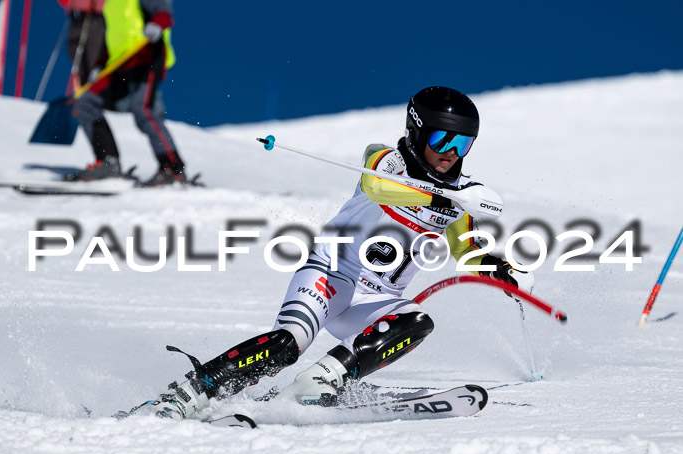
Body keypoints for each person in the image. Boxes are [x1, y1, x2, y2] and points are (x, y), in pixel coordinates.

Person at [122, 86, 535, 420]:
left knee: (417, 321)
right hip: (329, 276)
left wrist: (502, 270)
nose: (451, 152)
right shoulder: (386, 160)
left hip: (376, 299)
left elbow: (466, 250)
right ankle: (187, 394)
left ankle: (319, 383)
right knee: (287, 345)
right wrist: (440, 200)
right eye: (443, 137)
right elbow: (376, 188)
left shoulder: (461, 196)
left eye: (464, 143)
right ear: (417, 131)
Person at [69, 0, 187, 186]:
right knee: (86, 101)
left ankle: (172, 168)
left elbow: (164, 13)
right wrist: (99, 64)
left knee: (143, 110)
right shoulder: (110, 4)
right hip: (119, 64)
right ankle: (109, 162)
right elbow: (112, 37)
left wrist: (157, 24)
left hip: (144, 56)